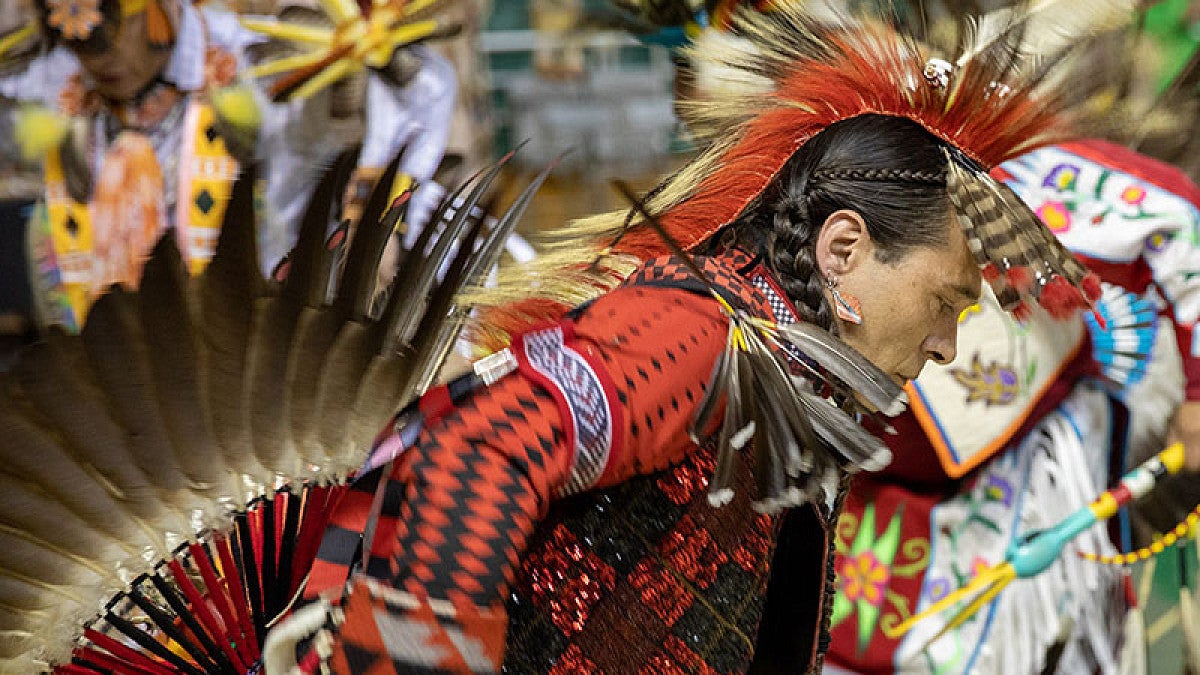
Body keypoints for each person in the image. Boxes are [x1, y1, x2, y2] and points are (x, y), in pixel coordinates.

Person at [262, 3, 1114, 673]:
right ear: (844, 251)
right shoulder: (700, 331)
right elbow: (472, 447)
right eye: (945, 302)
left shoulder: (789, 384)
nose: (949, 348)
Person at [820, 136, 1200, 675]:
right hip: (867, 497)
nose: (944, 343)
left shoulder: (984, 189)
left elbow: (1175, 216)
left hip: (1011, 479)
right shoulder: (784, 269)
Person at [0, 0, 456, 331]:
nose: (107, 62)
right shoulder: (47, 79)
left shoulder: (251, 60)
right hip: (111, 355)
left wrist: (373, 210)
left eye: (124, 34)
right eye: (82, 48)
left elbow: (418, 96)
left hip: (250, 338)